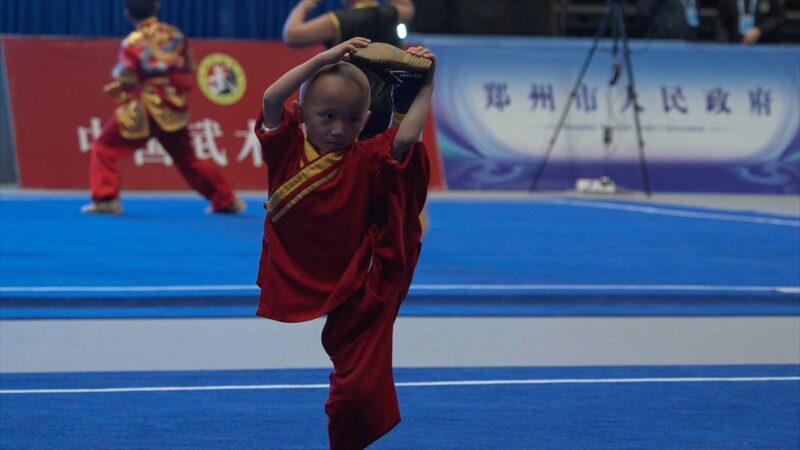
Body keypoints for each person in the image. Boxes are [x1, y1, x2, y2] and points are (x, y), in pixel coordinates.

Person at [255, 37, 434, 449]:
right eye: (327, 115)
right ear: (301, 114)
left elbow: (405, 138)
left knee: (357, 388)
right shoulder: (285, 149)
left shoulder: (365, 158)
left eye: (353, 120)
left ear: (367, 117)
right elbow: (270, 98)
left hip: (353, 281)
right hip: (297, 271)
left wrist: (426, 86)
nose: (339, 129)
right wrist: (322, 59)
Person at [82, 0, 244, 214]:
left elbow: (126, 76)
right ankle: (226, 200)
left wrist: (119, 89)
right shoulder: (174, 35)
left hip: (145, 107)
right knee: (189, 159)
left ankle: (106, 199)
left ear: (127, 15)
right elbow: (188, 65)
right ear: (156, 8)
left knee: (103, 146)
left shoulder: (133, 42)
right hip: (173, 106)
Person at [283, 0, 417, 140]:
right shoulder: (392, 13)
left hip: (348, 103)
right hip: (385, 102)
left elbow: (292, 35)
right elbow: (408, 7)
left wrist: (304, 5)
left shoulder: (338, 20)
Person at [715, 0, 787, 44]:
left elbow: (778, 17)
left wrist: (760, 30)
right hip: (735, 48)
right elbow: (722, 22)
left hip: (764, 49)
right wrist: (724, 47)